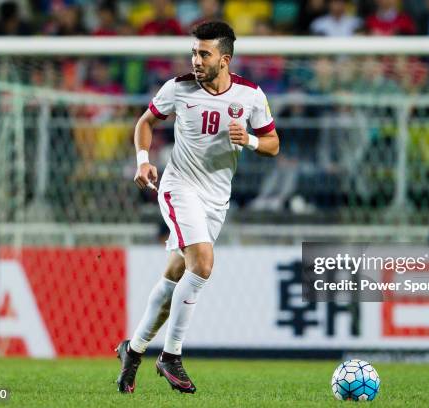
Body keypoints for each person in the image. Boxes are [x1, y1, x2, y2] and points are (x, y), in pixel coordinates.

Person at [115, 21, 279, 394]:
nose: (196, 59)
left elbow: (274, 144)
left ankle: (133, 349)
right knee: (202, 263)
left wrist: (250, 140)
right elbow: (145, 122)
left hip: (216, 199)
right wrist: (143, 160)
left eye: (204, 53)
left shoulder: (251, 96)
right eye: (193, 52)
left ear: (225, 59)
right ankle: (171, 356)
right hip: (178, 187)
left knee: (175, 274)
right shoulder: (178, 88)